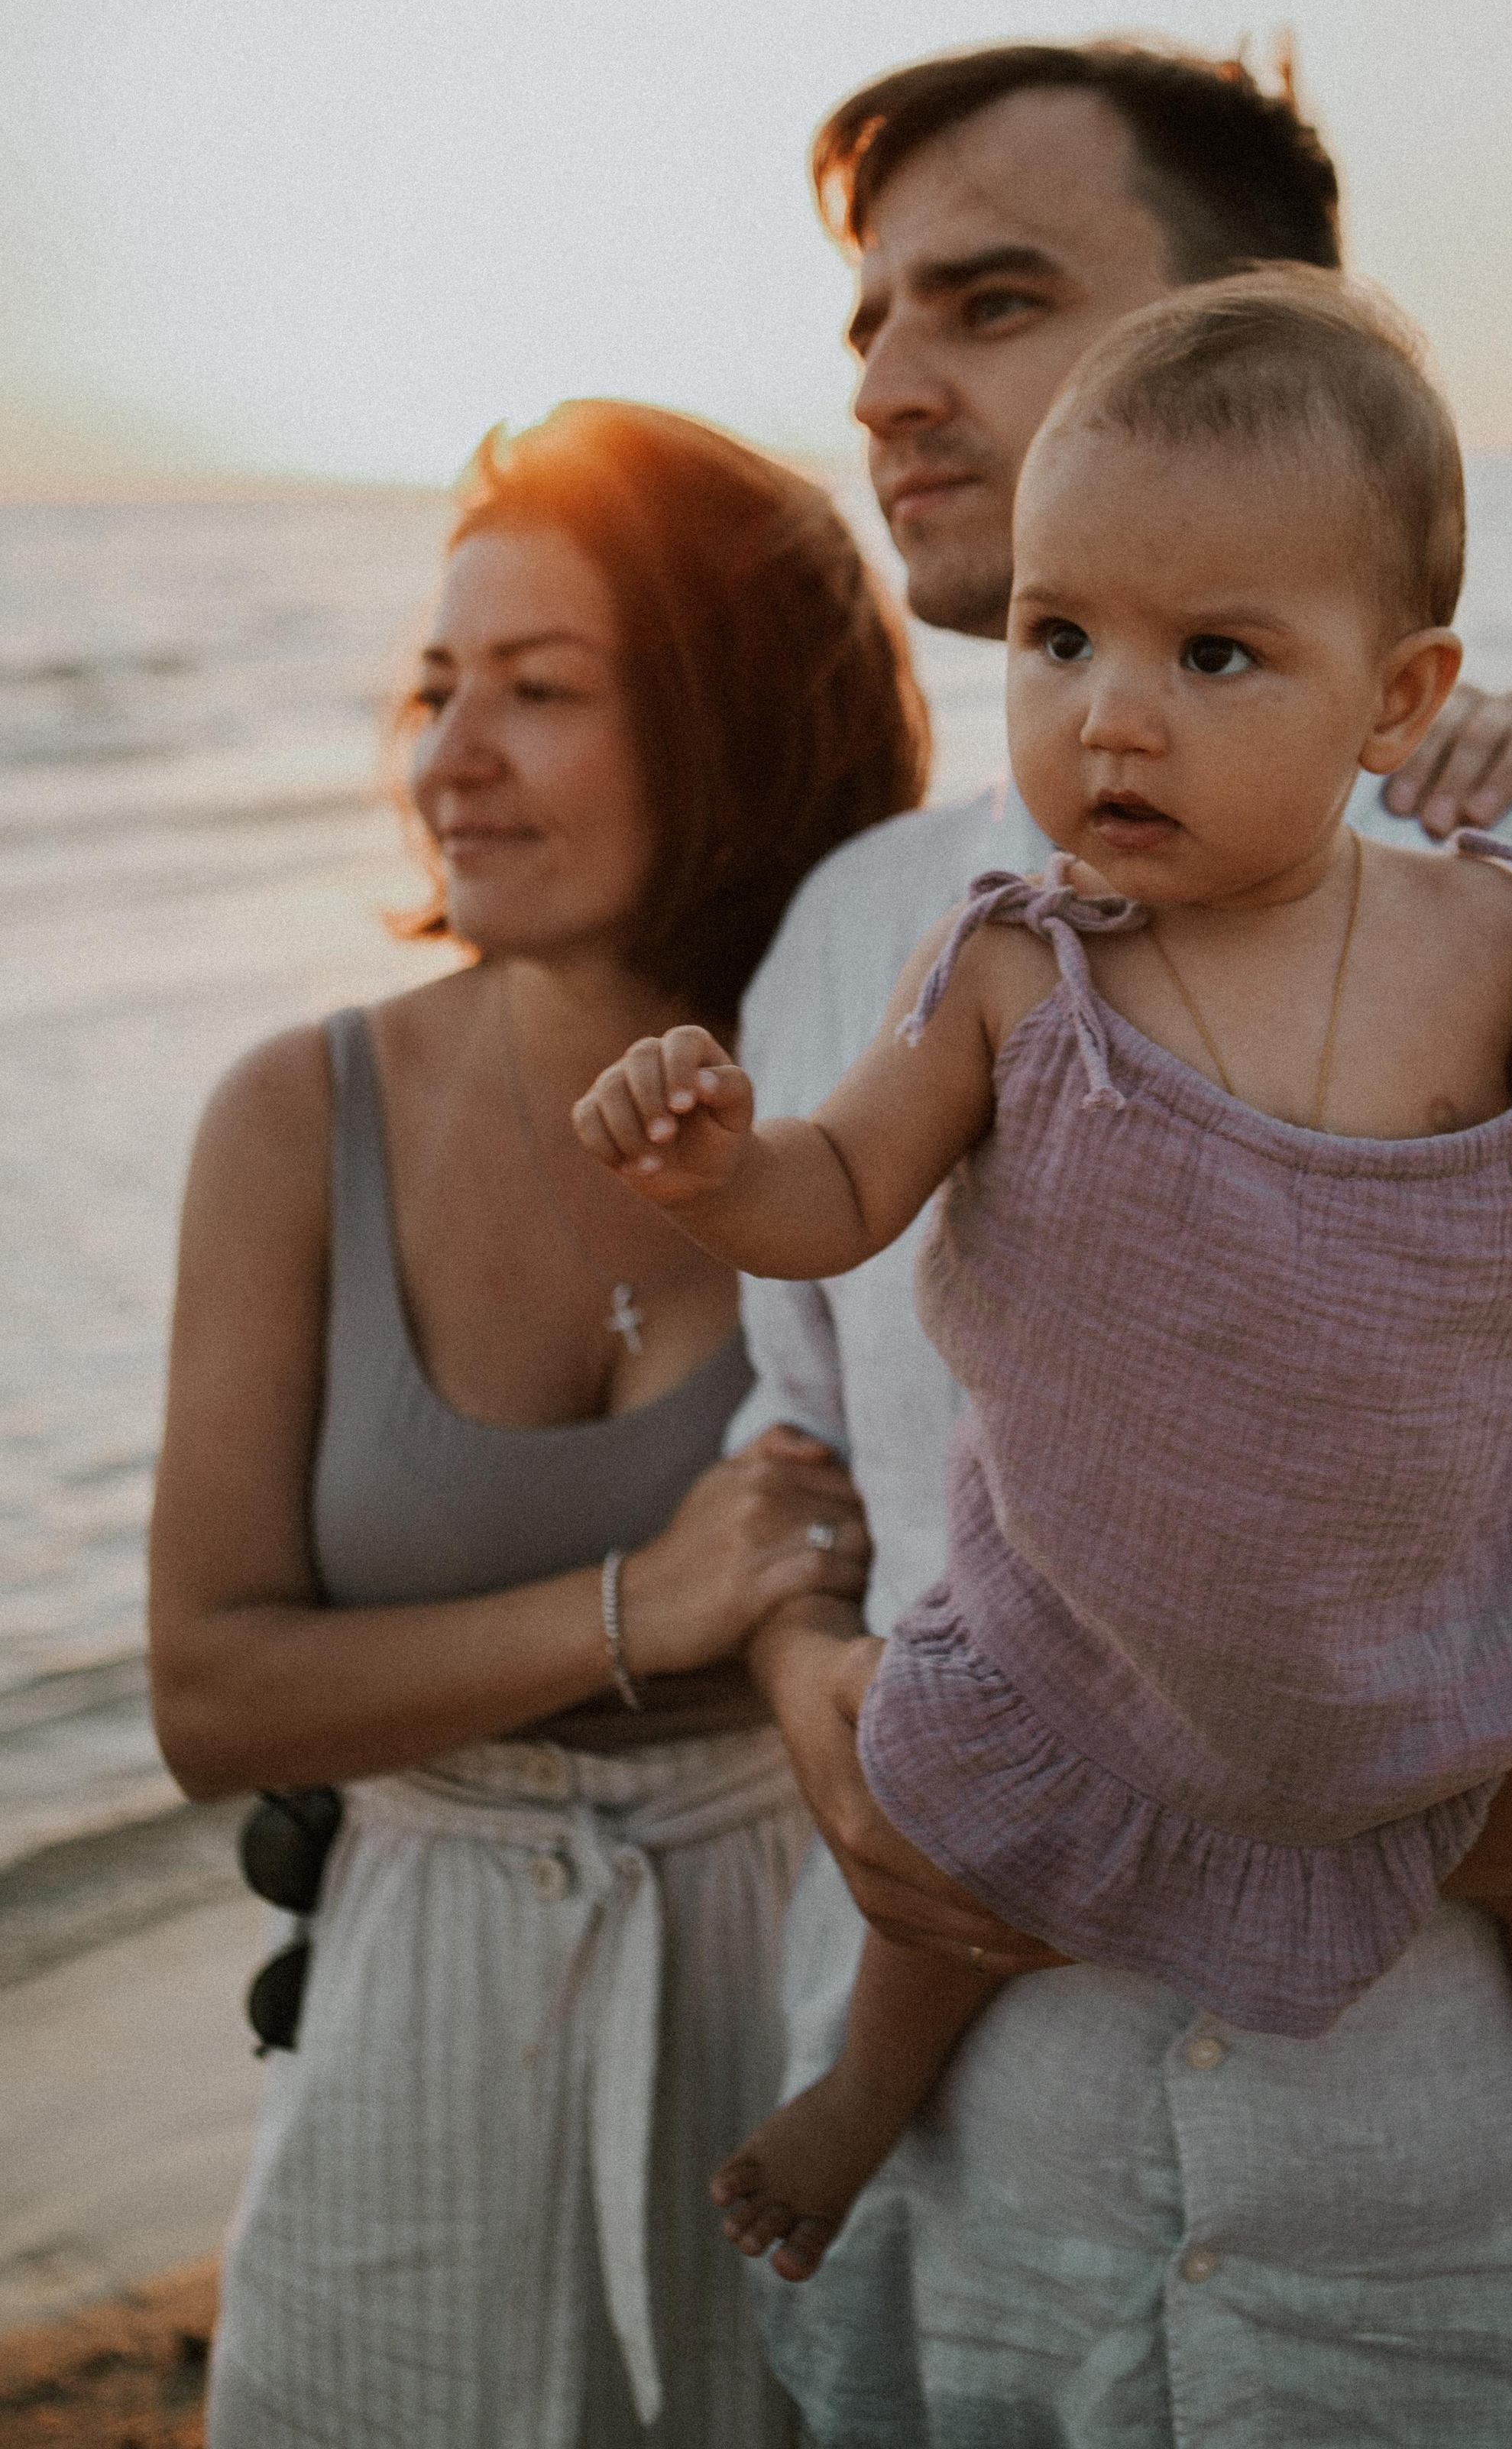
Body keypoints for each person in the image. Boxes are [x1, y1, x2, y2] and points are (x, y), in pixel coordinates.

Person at [708, 44, 1512, 2446]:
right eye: (866, 322)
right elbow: (798, 1451)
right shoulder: (869, 936)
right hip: (975, 2294)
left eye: (988, 299)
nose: (889, 383)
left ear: (1282, 333)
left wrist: (1319, 1802)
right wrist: (820, 1714)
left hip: (1485, 2306)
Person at [147, 400, 925, 2448]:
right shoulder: (297, 1122)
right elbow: (210, 1696)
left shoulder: (897, 1101)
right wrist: (634, 1608)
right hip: (413, 2002)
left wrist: (1480, 756)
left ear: (727, 722)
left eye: (540, 691)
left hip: (822, 1993)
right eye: (434, 688)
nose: (447, 761)